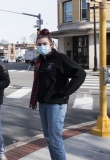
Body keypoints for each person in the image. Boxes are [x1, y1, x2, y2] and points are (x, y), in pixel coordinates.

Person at [29, 29, 86, 160]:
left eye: (44, 43)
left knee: (55, 140)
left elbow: (80, 74)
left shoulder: (60, 58)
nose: (41, 47)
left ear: (51, 44)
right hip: (43, 104)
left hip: (56, 105)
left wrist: (65, 92)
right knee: (49, 138)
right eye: (39, 44)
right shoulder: (41, 61)